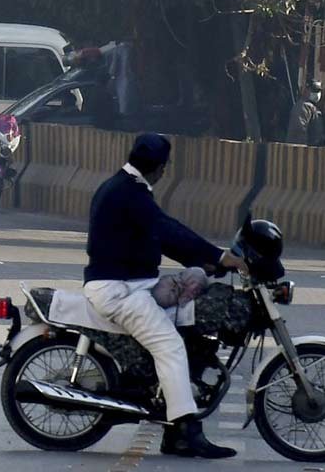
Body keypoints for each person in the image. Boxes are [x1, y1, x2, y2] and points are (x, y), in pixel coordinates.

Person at [83, 133, 247, 459]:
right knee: (169, 345)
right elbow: (167, 230)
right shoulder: (129, 194)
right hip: (120, 290)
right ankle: (186, 431)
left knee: (190, 302)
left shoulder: (124, 187)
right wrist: (218, 255)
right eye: (165, 166)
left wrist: (206, 263)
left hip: (131, 283)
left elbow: (162, 237)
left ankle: (173, 426)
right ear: (159, 168)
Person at [285, 80, 324, 146]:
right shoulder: (303, 106)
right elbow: (298, 131)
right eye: (314, 90)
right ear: (306, 90)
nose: (317, 94)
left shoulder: (315, 108)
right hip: (304, 152)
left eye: (319, 91)